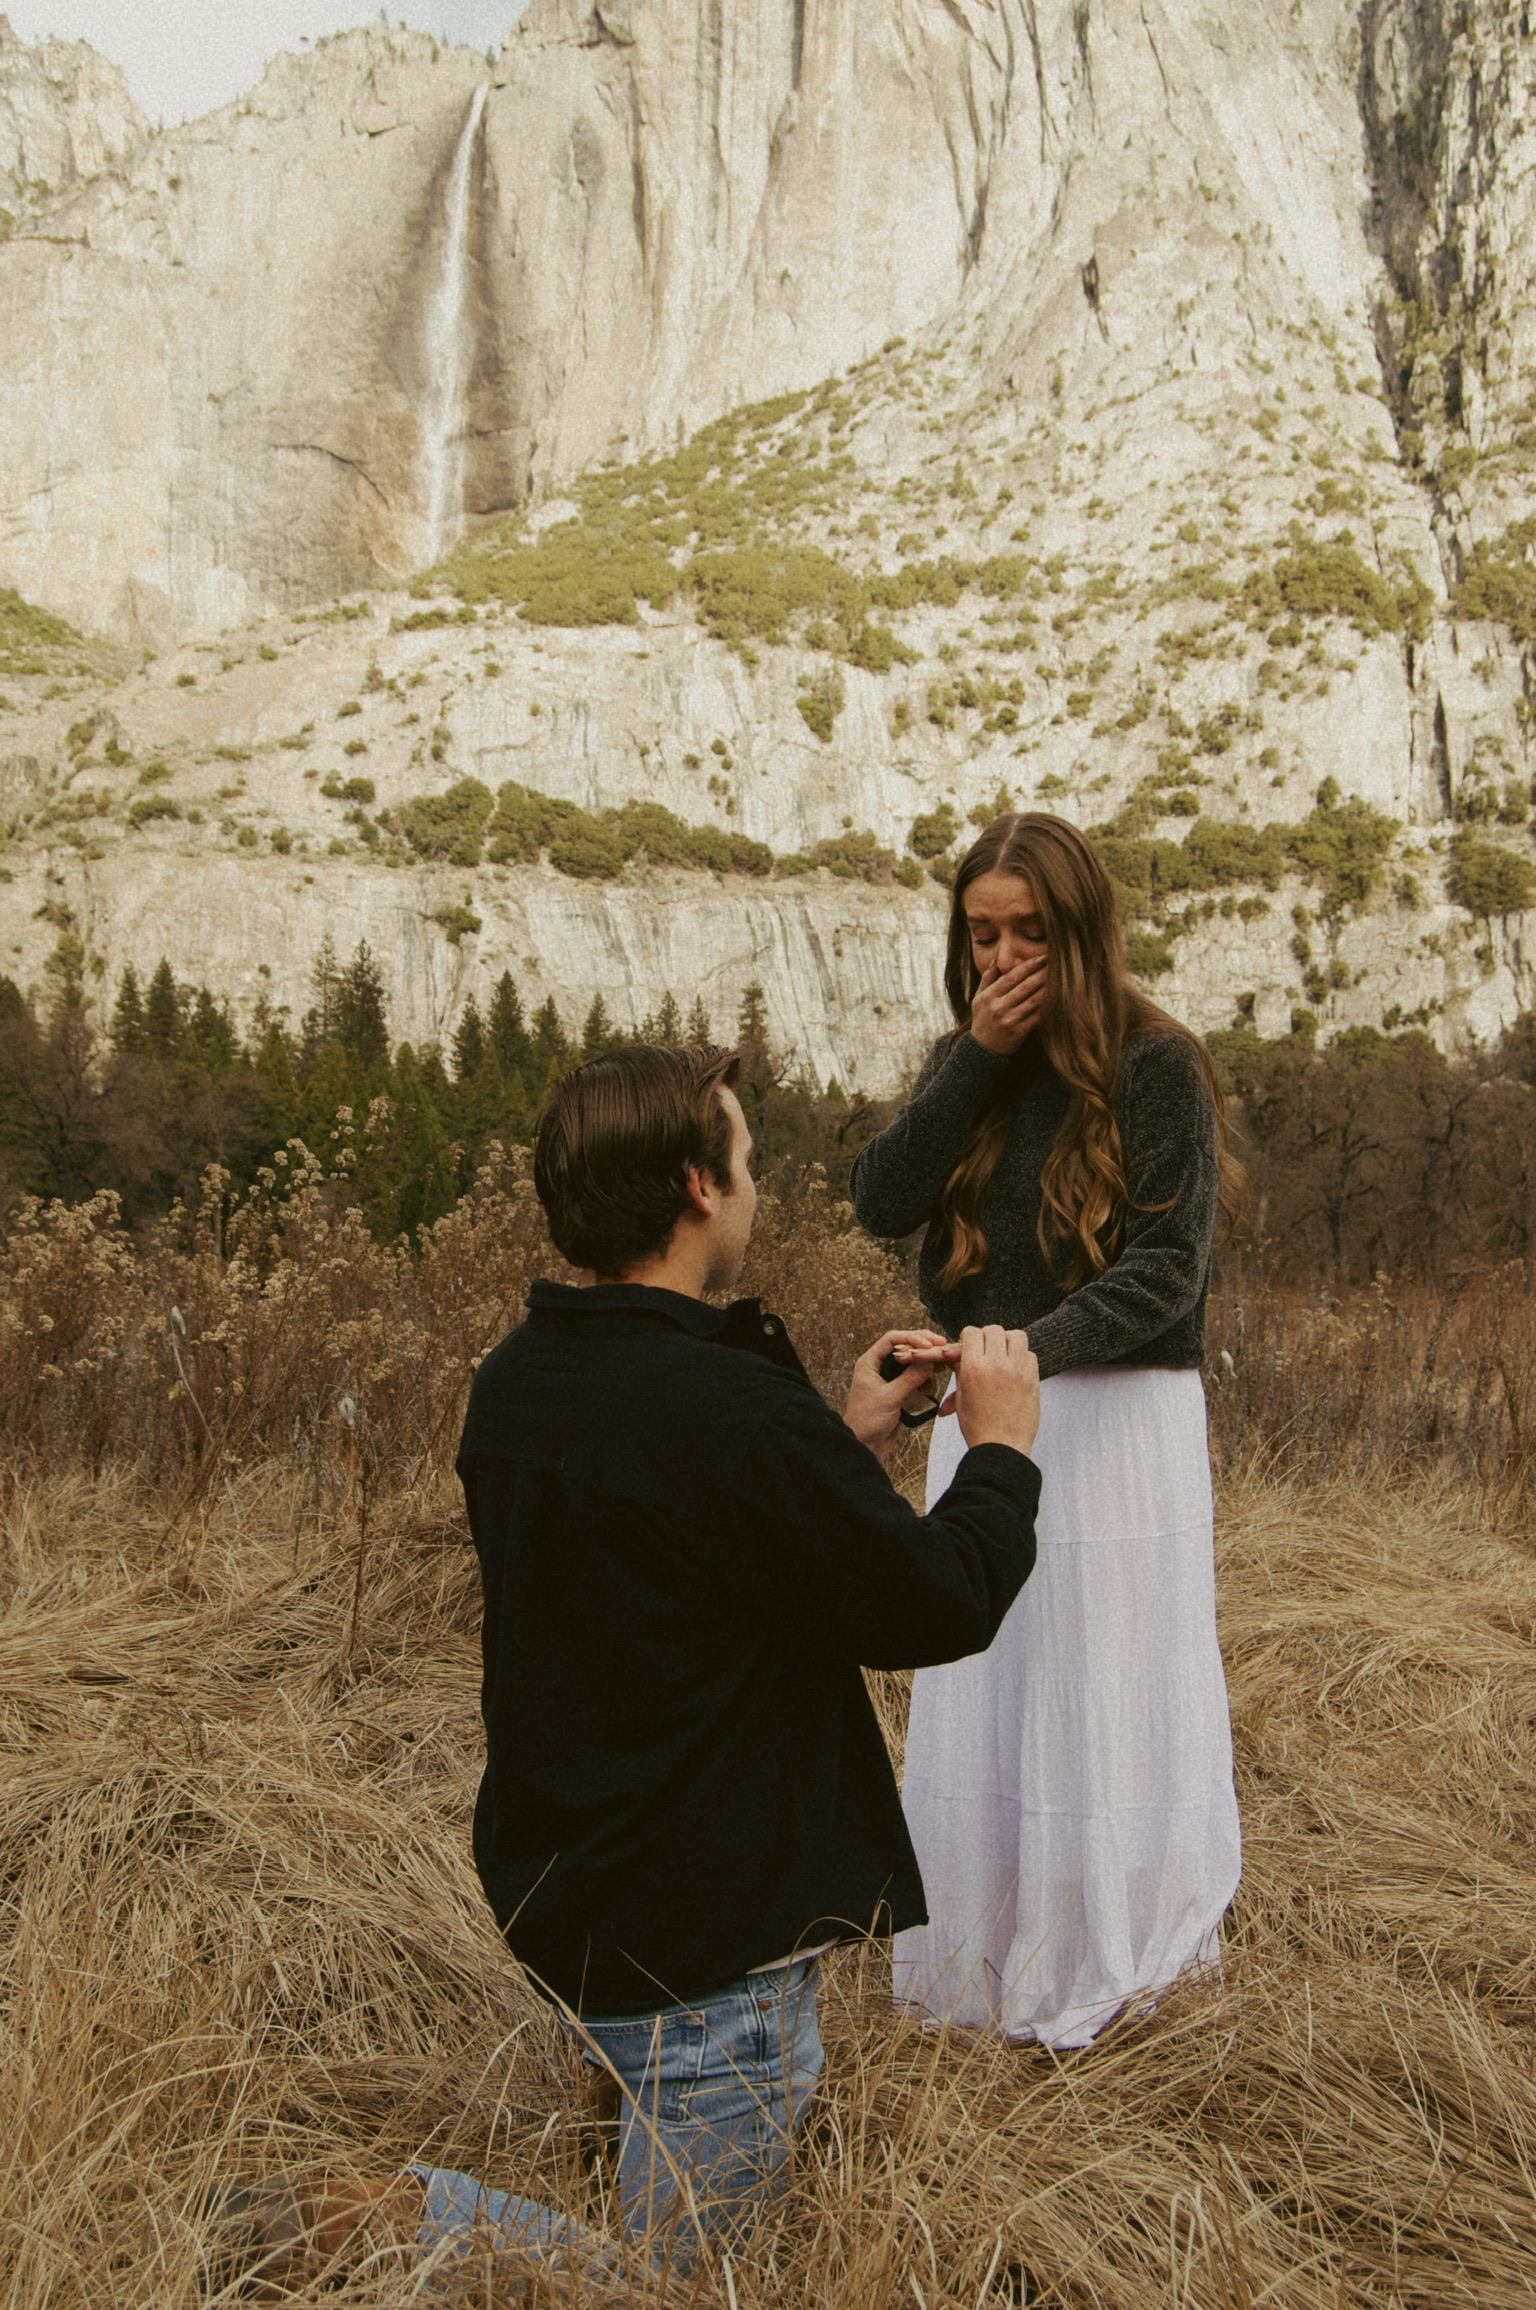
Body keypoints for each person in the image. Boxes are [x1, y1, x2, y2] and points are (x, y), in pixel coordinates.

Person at [212, 1041, 1041, 2296]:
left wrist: (839, 1437)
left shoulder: (519, 1382)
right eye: (748, 1158)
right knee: (683, 2285)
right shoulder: (724, 1414)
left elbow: (690, 1560)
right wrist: (1002, 1454)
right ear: (700, 1188)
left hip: (581, 1890)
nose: (756, 1184)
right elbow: (939, 1599)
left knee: (662, 2177)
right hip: (709, 1940)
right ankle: (384, 2217)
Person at [850, 813, 1247, 2050]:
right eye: (983, 933)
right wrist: (972, 1057)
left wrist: (1019, 1357)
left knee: (1106, 1682)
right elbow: (880, 1201)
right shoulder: (964, 1059)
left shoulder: (1154, 1063)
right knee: (995, 1681)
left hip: (1117, 1420)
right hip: (986, 1408)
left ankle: (1121, 1964)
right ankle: (986, 1949)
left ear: (1081, 932)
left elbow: (1167, 1276)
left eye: (1030, 930)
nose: (1005, 956)